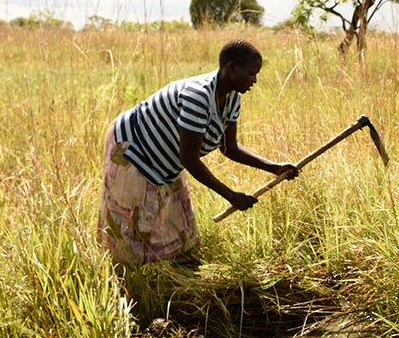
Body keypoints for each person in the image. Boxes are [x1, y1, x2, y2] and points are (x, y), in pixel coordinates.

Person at [98, 39, 298, 265]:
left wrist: (274, 167)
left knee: (179, 224)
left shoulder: (232, 97)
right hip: (133, 149)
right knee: (130, 225)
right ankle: (126, 283)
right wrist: (231, 195)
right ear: (231, 67)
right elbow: (189, 159)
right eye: (252, 73)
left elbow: (229, 147)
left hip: (167, 157)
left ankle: (176, 277)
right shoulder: (198, 97)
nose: (255, 80)